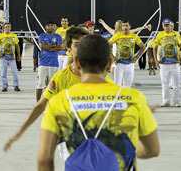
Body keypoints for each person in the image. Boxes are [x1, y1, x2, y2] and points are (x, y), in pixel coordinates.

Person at [37, 34, 160, 170]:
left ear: (77, 63)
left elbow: (44, 159)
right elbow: (153, 150)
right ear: (108, 64)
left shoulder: (58, 102)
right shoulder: (134, 98)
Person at [4, 27, 115, 153]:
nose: (83, 49)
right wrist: (19, 133)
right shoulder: (61, 77)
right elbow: (41, 106)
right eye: (77, 45)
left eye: (85, 44)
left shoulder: (100, 75)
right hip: (69, 137)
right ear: (69, 50)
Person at [153, 18, 181, 107]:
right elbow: (154, 47)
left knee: (176, 83)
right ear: (163, 26)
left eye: (169, 25)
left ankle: (177, 101)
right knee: (164, 83)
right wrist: (156, 60)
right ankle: (166, 101)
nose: (167, 27)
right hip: (164, 64)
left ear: (172, 25)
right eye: (165, 26)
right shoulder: (160, 35)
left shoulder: (176, 34)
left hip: (175, 63)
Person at [109, 21, 146, 87]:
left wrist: (137, 57)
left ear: (129, 27)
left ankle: (125, 96)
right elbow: (107, 45)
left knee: (127, 85)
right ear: (122, 27)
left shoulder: (134, 36)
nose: (125, 27)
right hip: (119, 64)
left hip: (130, 64)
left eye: (126, 25)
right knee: (117, 84)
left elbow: (143, 47)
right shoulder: (118, 35)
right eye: (124, 26)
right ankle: (118, 97)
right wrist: (112, 57)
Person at [36, 21, 62, 101]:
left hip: (53, 63)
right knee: (40, 84)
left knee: (51, 85)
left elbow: (59, 48)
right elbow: (42, 46)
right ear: (45, 27)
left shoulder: (58, 36)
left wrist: (48, 47)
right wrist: (53, 46)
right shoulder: (42, 36)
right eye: (48, 25)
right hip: (43, 63)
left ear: (54, 27)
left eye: (52, 25)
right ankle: (38, 103)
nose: (50, 27)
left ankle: (50, 102)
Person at [0, 22, 21, 92]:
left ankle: (16, 85)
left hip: (12, 58)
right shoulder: (0, 36)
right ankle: (4, 86)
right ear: (3, 28)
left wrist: (19, 55)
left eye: (9, 27)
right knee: (3, 73)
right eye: (6, 27)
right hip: (3, 58)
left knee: (15, 72)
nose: (7, 28)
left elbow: (17, 46)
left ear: (10, 28)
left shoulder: (13, 36)